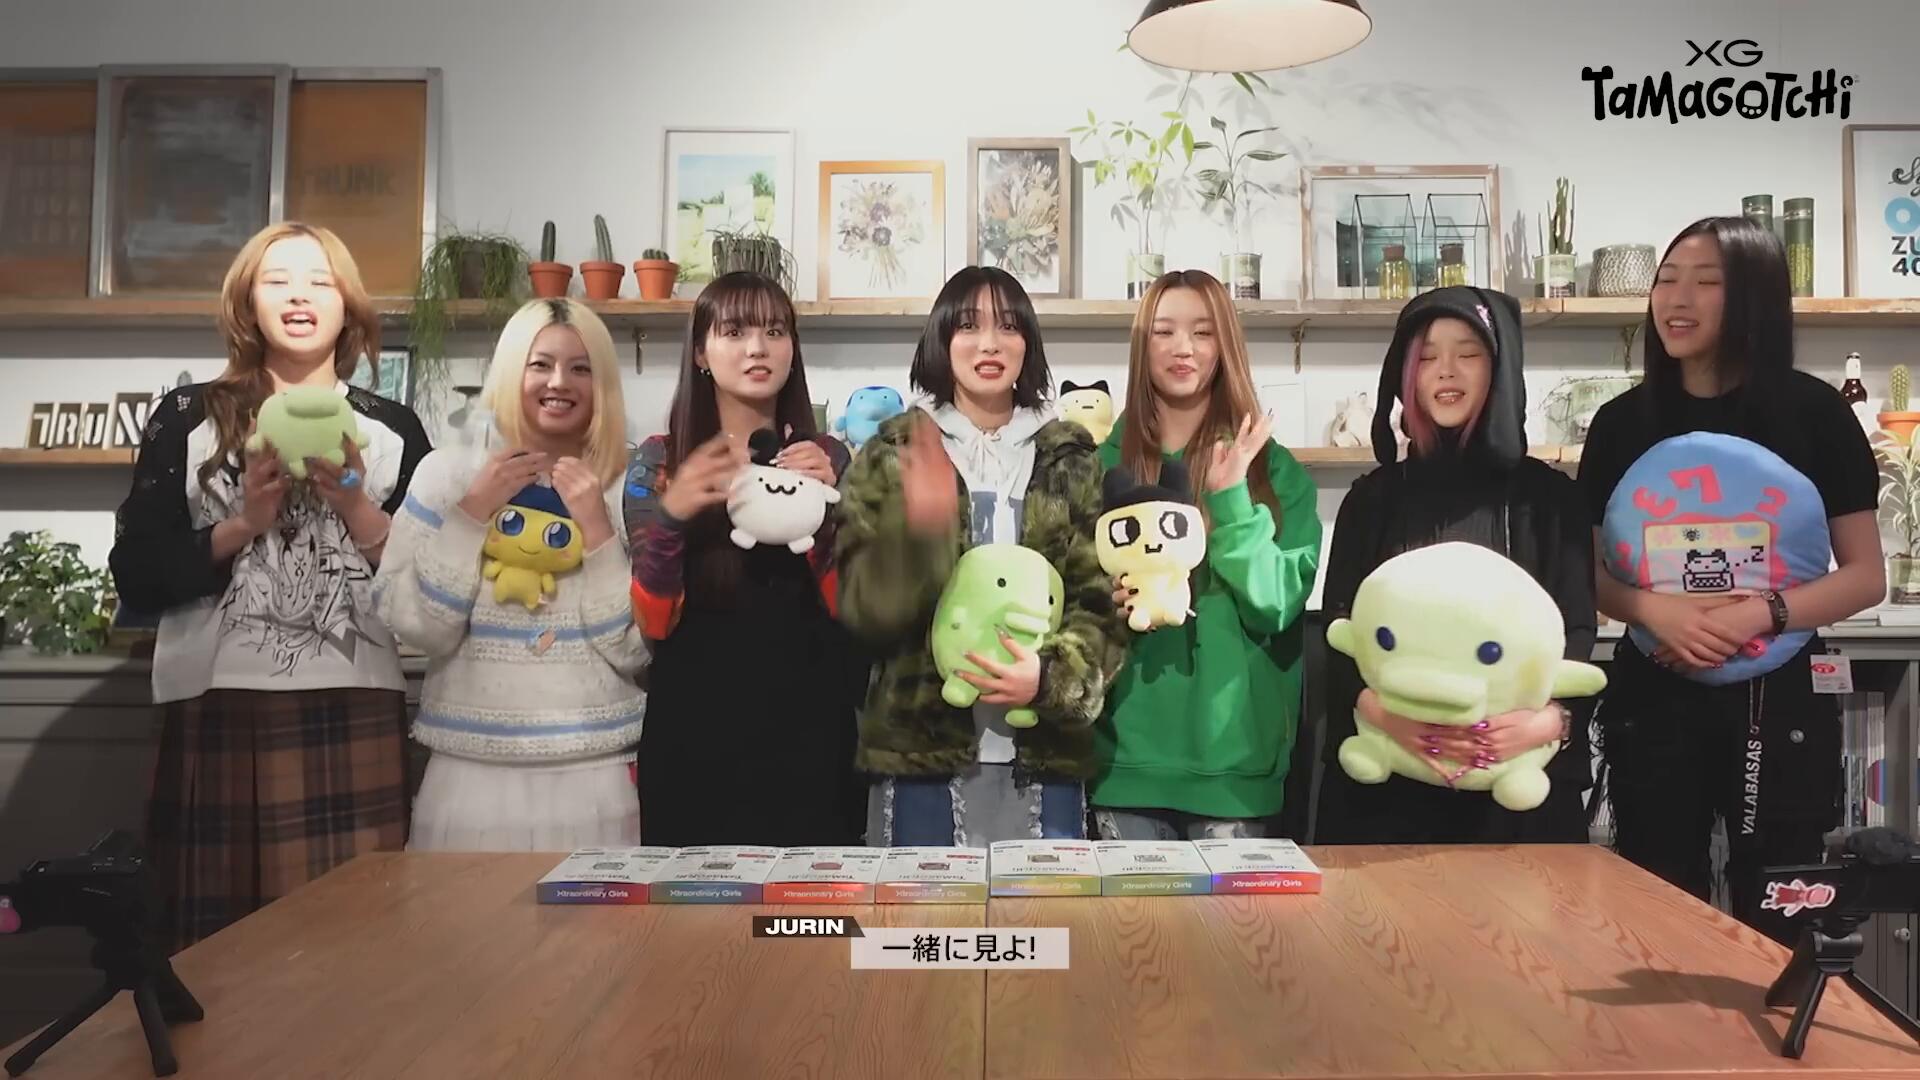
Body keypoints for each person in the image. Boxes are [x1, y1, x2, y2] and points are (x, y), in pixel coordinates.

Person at [110, 222, 431, 950]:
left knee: (352, 943)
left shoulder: (391, 428)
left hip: (354, 697)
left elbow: (429, 586)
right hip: (217, 702)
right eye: (277, 281)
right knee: (217, 946)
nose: (298, 297)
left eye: (320, 281)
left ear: (348, 306)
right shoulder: (189, 417)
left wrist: (355, 505)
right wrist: (243, 523)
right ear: (246, 302)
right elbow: (136, 571)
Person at [1580, 216, 1884, 941]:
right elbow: (1587, 574)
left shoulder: (1816, 415)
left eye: (1706, 282)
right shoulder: (1621, 423)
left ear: (1753, 297)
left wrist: (1761, 613)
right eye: (1666, 280)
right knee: (1656, 904)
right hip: (1655, 693)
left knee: (1779, 905)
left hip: (1778, 701)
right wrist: (1656, 610)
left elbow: (1865, 576)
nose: (1676, 299)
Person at [838, 266, 1123, 846]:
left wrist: (1050, 679)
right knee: (920, 908)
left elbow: (1097, 601)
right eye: (968, 326)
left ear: (1028, 344)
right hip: (919, 749)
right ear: (941, 339)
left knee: (1042, 908)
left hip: (1043, 754)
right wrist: (919, 539)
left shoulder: (1071, 457)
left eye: (1008, 326)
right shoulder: (893, 451)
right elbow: (860, 607)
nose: (989, 343)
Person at [1314, 286, 1595, 845]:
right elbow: (1340, 632)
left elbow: (1577, 632)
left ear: (1500, 368)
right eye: (1427, 356)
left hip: (1515, 792)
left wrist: (1547, 723)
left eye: (1468, 353)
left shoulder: (1549, 500)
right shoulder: (1372, 499)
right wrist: (1384, 716)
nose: (1447, 370)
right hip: (1390, 792)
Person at [375, 298, 646, 851]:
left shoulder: (631, 483)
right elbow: (417, 626)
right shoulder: (446, 474)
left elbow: (636, 650)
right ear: (508, 372)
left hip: (598, 773)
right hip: (467, 774)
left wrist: (598, 531)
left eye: (580, 368)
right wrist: (471, 513)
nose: (559, 382)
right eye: (539, 364)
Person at [626, 272, 866, 847]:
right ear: (700, 353)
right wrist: (673, 516)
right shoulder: (659, 462)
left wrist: (826, 514)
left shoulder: (828, 456)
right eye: (734, 332)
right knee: (692, 904)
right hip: (694, 737)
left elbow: (854, 611)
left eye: (775, 332)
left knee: (812, 904)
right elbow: (653, 621)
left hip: (813, 733)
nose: (758, 348)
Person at [1090, 270, 1321, 841]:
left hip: (1236, 773)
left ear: (1226, 345)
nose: (1183, 348)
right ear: (1142, 347)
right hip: (1122, 768)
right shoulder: (1100, 467)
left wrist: (1232, 499)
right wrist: (1105, 601)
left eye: (1203, 331)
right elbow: (1069, 605)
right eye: (1163, 331)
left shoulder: (1275, 471)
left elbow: (1276, 605)